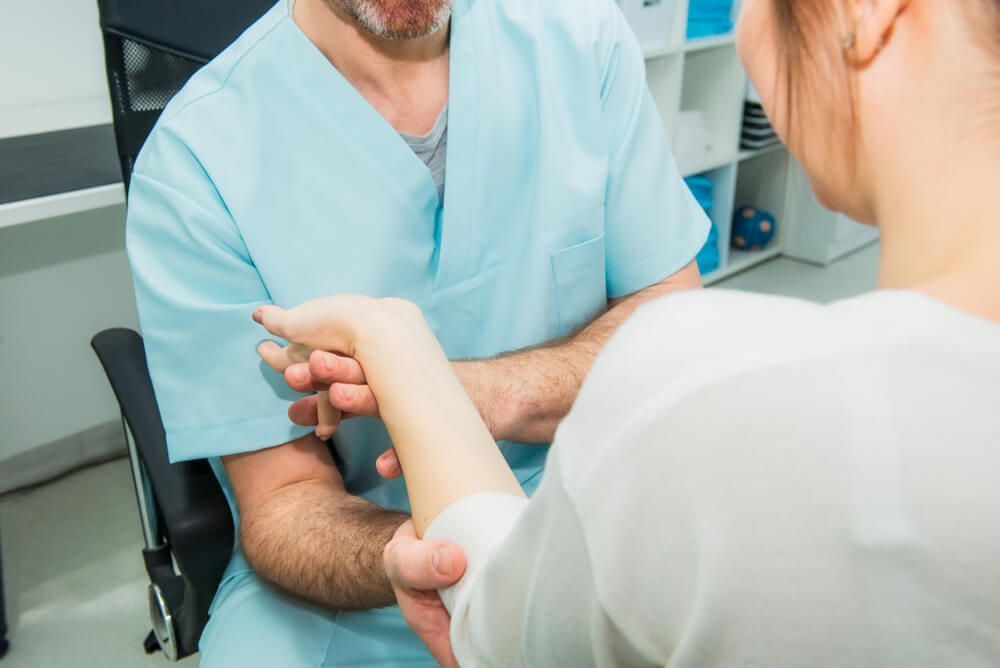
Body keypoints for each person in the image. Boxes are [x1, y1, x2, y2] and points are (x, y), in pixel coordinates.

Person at [258, 0, 1000, 664]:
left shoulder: (707, 386)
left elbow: (503, 633)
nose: (744, 29)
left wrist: (396, 346)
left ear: (869, 12)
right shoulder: (210, 145)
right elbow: (278, 502)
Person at [125, 0, 709, 663]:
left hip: (597, 510)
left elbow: (672, 322)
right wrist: (421, 556)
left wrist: (471, 394)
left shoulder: (579, 42)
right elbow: (284, 501)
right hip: (368, 572)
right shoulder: (197, 163)